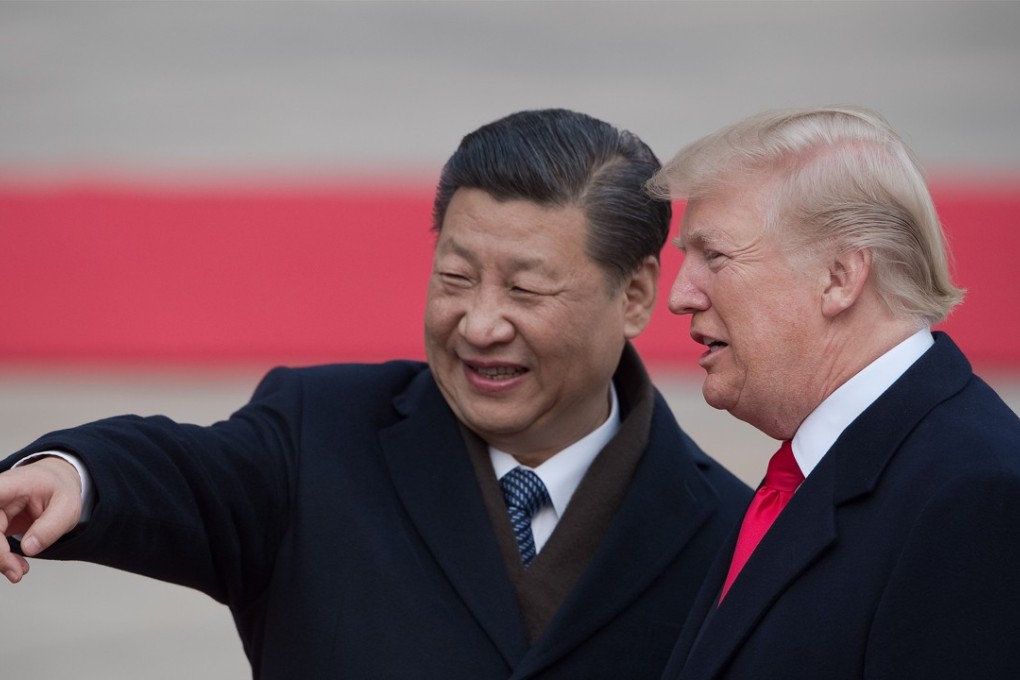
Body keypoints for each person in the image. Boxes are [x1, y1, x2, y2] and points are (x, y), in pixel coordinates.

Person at [0, 108, 751, 679]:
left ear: (635, 295)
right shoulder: (318, 436)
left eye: (526, 289)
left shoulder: (733, 535)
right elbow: (186, 472)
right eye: (455, 278)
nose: (480, 324)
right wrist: (70, 473)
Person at [647, 105, 1020, 679]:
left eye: (714, 256)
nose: (680, 296)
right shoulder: (819, 468)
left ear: (839, 277)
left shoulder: (976, 494)